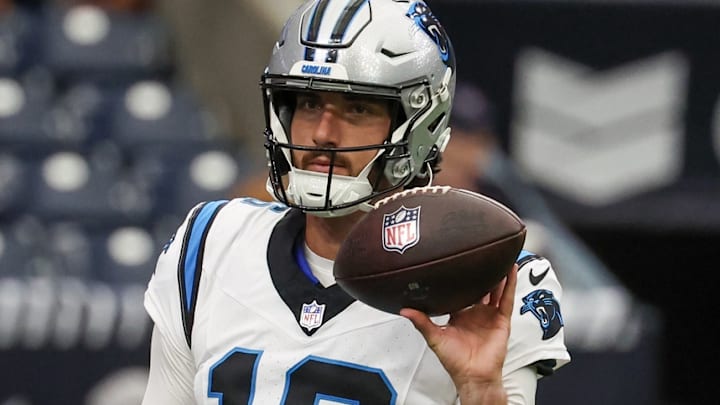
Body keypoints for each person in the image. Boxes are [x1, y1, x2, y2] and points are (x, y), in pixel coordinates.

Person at [141, 1, 570, 404]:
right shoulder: (212, 241)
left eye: (357, 109)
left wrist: (480, 389)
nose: (323, 132)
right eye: (308, 102)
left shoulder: (487, 279)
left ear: (419, 124)